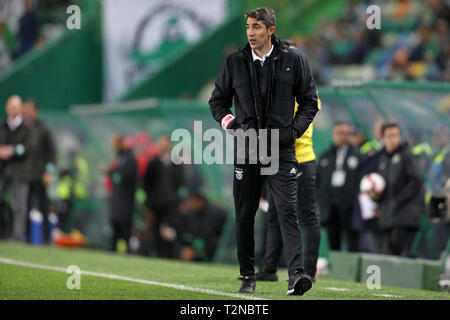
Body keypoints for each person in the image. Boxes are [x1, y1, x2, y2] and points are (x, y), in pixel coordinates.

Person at [209, 7, 319, 295]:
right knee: (245, 214)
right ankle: (248, 276)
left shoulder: (294, 59)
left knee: (287, 210)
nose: (250, 32)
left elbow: (310, 102)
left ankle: (296, 275)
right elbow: (217, 102)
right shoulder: (233, 62)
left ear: (271, 30)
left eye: (257, 27)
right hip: (246, 149)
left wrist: (293, 131)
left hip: (281, 150)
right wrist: (232, 125)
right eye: (248, 26)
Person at [256, 39, 321, 283]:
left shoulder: (303, 90)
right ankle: (269, 268)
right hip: (278, 160)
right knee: (274, 214)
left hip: (300, 159)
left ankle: (309, 271)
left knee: (306, 216)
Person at [375, 122, 423, 256]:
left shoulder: (407, 155)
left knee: (399, 251)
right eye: (389, 136)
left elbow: (415, 181)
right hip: (388, 215)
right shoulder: (383, 158)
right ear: (383, 138)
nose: (393, 139)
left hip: (404, 215)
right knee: (388, 250)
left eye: (396, 135)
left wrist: (397, 200)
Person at [316, 121, 363, 252]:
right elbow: (317, 181)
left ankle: (353, 271)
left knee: (352, 243)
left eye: (345, 133)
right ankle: (335, 269)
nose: (342, 136)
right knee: (333, 242)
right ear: (333, 134)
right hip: (331, 207)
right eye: (339, 133)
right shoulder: (325, 156)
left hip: (350, 208)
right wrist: (321, 199)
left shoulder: (358, 156)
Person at [0, 95, 34, 242]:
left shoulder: (27, 128)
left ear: (20, 109)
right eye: (11, 106)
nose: (13, 109)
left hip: (20, 170)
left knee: (20, 204)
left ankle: (17, 234)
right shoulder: (2, 126)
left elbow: (29, 147)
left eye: (16, 106)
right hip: (2, 168)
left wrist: (12, 151)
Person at [22, 99, 56, 244]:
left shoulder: (44, 128)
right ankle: (27, 238)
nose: (26, 111)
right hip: (25, 175)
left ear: (35, 110)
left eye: (29, 109)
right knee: (25, 207)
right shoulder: (22, 128)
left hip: (40, 174)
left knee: (43, 207)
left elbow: (52, 152)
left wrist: (48, 172)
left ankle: (46, 238)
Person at [106, 134, 137, 252]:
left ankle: (126, 250)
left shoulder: (129, 159)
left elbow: (128, 176)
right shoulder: (119, 158)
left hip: (125, 200)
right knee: (115, 224)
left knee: (124, 226)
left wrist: (113, 172)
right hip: (116, 198)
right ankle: (113, 249)